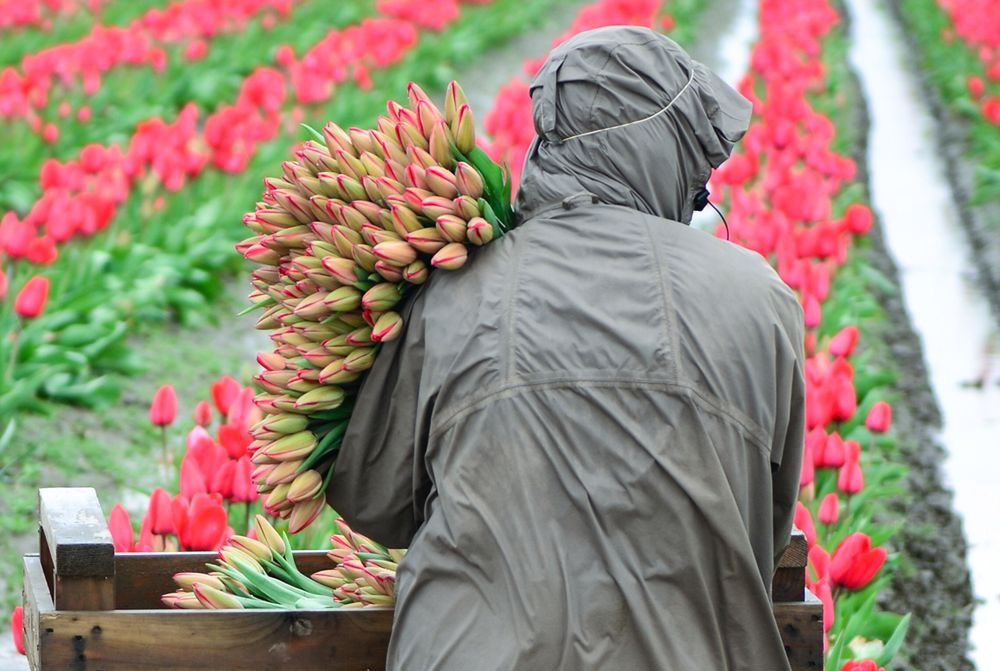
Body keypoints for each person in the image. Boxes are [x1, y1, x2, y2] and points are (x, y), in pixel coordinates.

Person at [328, 25, 805, 671]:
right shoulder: (759, 298)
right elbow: (761, 526)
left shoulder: (455, 288)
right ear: (674, 151)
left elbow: (373, 498)